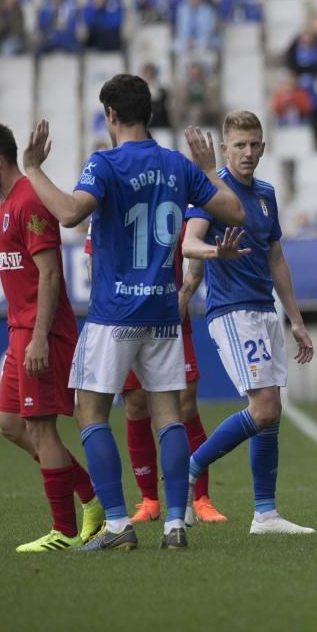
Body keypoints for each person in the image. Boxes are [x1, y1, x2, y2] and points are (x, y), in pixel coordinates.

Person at [21, 73, 245, 551]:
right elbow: (236, 213)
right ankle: (175, 525)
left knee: (91, 413)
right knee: (169, 417)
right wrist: (207, 169)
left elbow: (68, 213)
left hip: (114, 314)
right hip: (163, 313)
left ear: (112, 116)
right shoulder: (175, 165)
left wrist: (34, 169)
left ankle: (119, 526)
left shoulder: (104, 163)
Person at [0, 122, 104, 551]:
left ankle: (63, 530)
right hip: (20, 331)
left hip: (41, 333)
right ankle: (93, 501)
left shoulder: (30, 203)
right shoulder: (7, 204)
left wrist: (39, 337)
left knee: (42, 431)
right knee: (10, 424)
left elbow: (50, 274)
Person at [182, 109, 316, 535]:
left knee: (270, 414)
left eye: (255, 144)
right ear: (225, 148)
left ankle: (265, 514)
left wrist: (295, 318)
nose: (248, 152)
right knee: (263, 409)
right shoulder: (208, 188)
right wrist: (213, 254)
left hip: (264, 310)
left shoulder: (265, 194)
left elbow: (275, 256)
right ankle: (190, 469)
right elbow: (189, 243)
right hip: (232, 311)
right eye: (239, 145)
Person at [83, 224, 227, 524]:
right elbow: (92, 257)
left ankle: (200, 497)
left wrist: (185, 292)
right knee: (135, 402)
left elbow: (193, 243)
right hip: (124, 314)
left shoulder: (168, 187)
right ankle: (149, 498)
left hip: (168, 311)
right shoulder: (108, 197)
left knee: (184, 402)